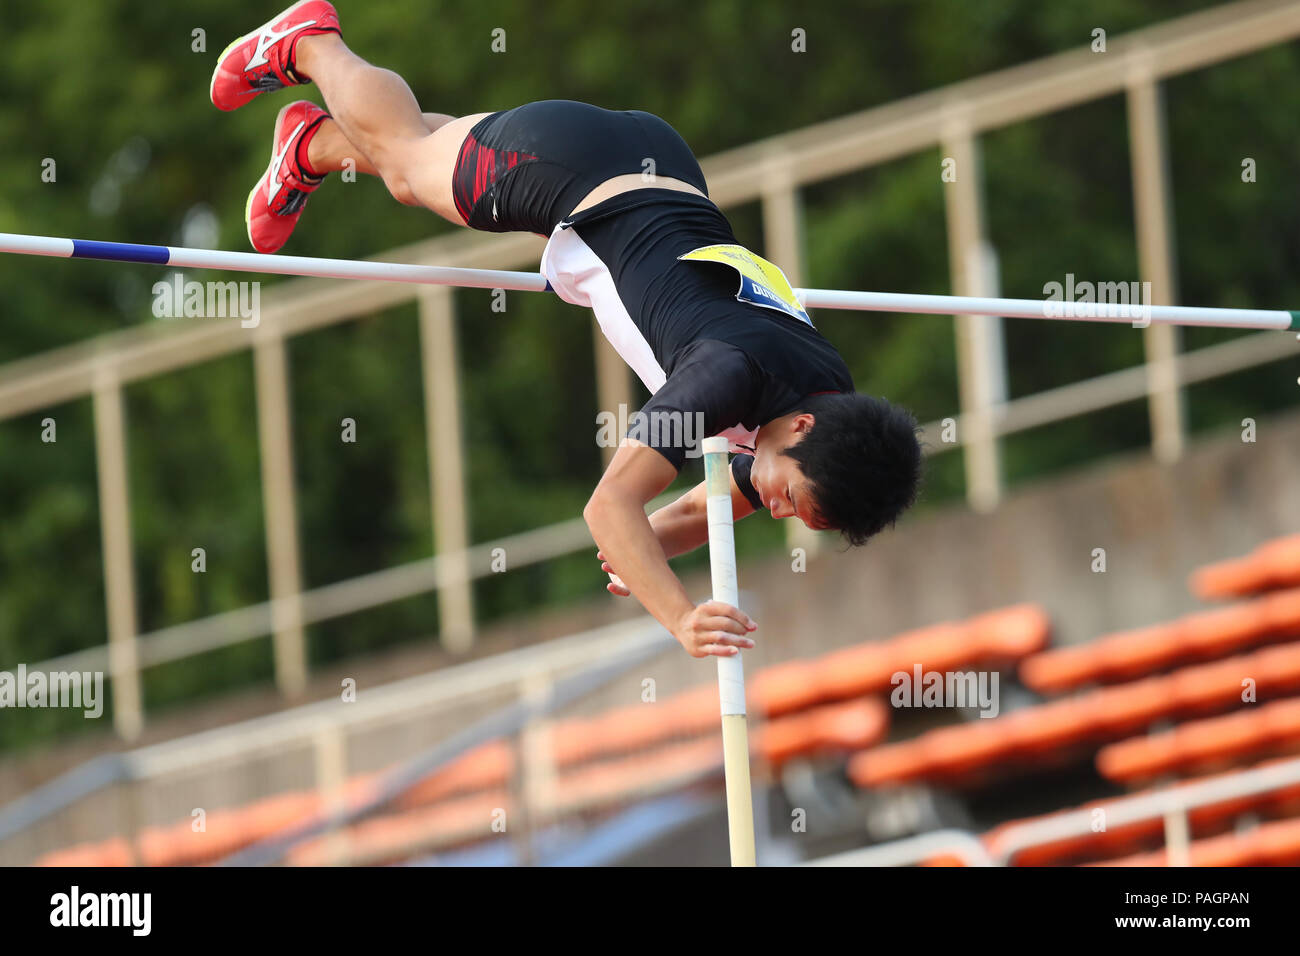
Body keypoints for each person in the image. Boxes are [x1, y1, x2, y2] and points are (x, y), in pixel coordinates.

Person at [211, 1, 923, 659]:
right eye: (790, 500)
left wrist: (644, 555)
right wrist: (679, 617)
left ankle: (310, 145)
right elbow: (609, 506)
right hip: (576, 176)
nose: (776, 509)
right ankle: (311, 41)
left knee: (429, 147)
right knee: (405, 167)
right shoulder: (727, 375)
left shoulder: (826, 404)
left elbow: (704, 508)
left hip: (644, 163)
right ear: (801, 430)